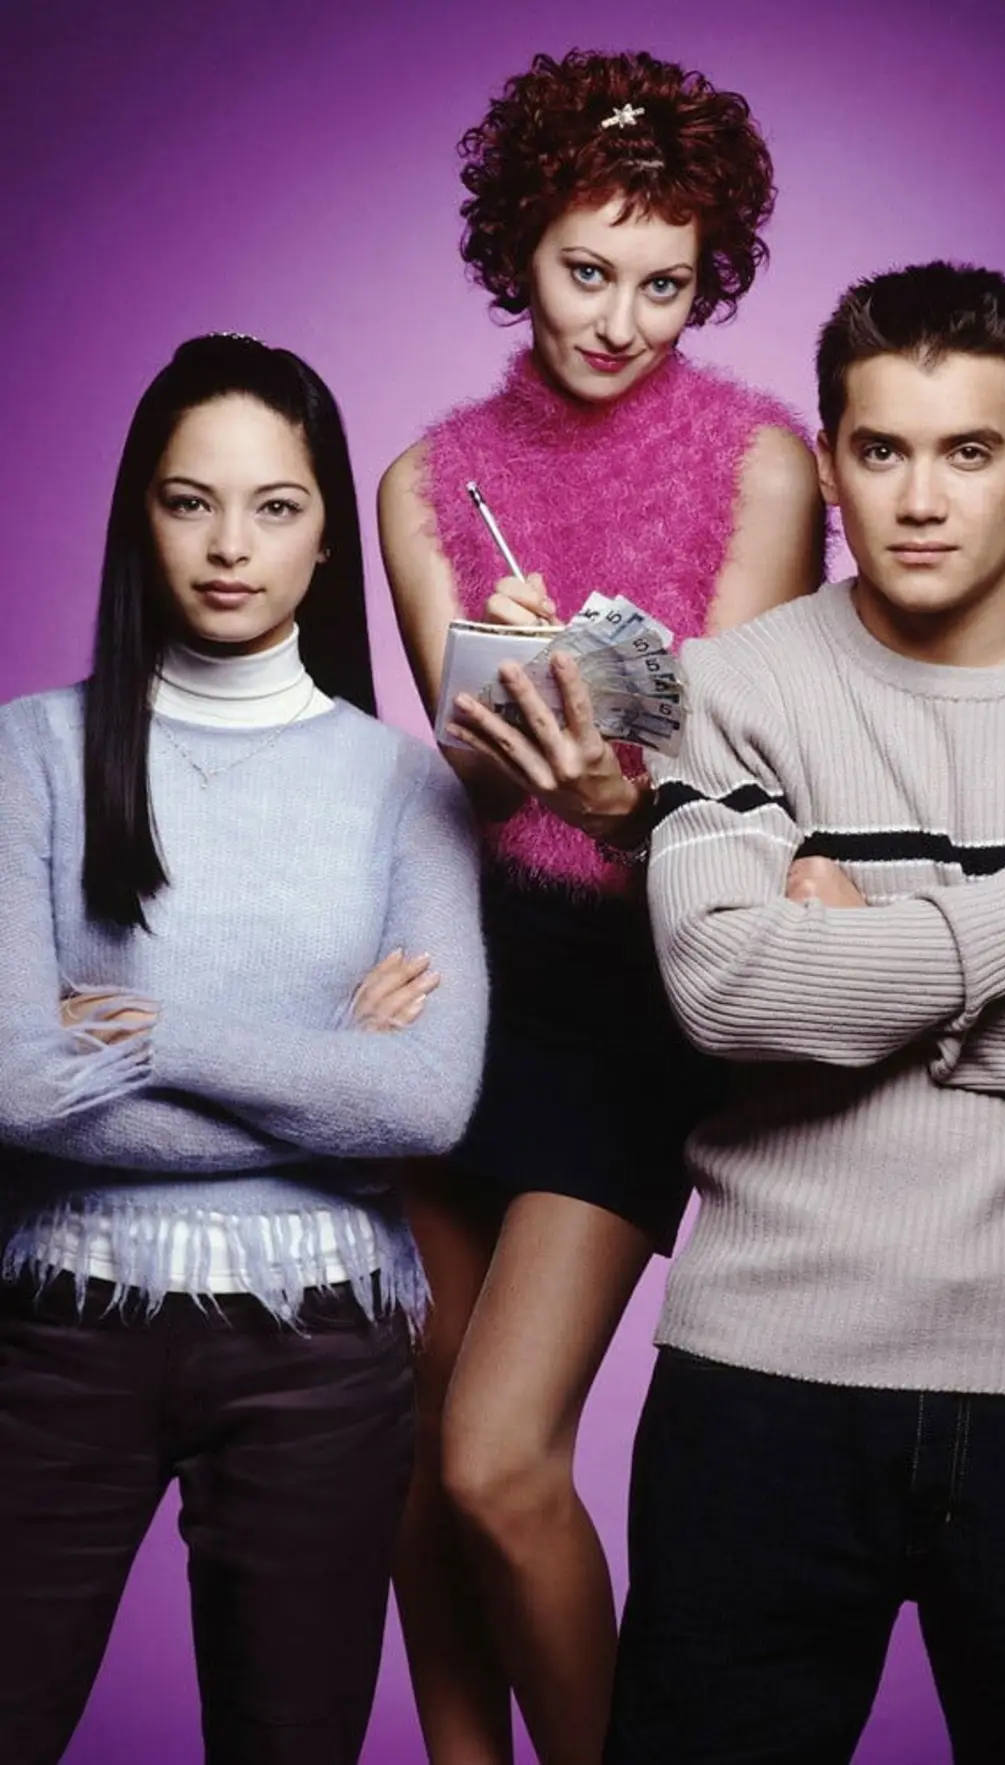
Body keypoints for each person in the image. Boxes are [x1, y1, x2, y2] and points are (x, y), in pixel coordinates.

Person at [608, 260, 1005, 1764]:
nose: (920, 500)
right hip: (765, 1381)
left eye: (969, 451)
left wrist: (874, 967)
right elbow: (728, 987)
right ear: (829, 464)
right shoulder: (721, 691)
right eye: (881, 451)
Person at [378, 47, 824, 1765]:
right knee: (419, 1459)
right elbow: (472, 783)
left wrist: (609, 736)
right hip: (465, 965)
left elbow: (733, 779)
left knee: (500, 1456)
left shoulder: (765, 466)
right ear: (520, 247)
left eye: (666, 284)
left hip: (635, 978)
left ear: (708, 280)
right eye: (588, 270)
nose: (622, 319)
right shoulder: (428, 481)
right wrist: (506, 695)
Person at [0, 333, 487, 1765]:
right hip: (60, 1333)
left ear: (328, 534)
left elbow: (428, 1103)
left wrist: (156, 1033)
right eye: (188, 501)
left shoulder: (410, 787)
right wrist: (326, 1066)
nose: (230, 546)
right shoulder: (30, 753)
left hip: (322, 1352)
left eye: (275, 506)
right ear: (139, 517)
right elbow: (14, 1087)